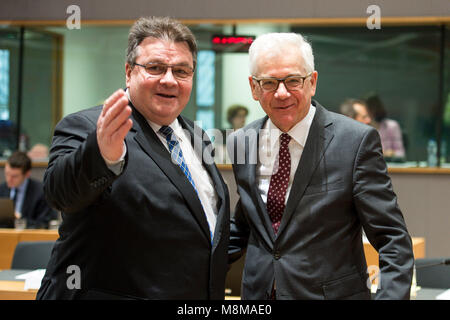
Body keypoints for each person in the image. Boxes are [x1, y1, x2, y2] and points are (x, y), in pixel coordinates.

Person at [37, 16, 230, 300]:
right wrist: (103, 155)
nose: (169, 79)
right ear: (128, 72)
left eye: (181, 71)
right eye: (155, 68)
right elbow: (60, 193)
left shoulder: (196, 136)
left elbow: (202, 229)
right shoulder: (89, 126)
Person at [227, 32, 414, 300]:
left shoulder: (355, 142)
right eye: (269, 82)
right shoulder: (241, 142)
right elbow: (248, 220)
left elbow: (392, 240)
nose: (281, 93)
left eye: (293, 80)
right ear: (254, 88)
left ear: (312, 82)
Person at [0, 151, 57, 228]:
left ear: (27, 174)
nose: (9, 179)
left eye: (14, 176)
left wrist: (20, 220)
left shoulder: (41, 192)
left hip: (30, 237)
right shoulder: (1, 189)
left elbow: (44, 223)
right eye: (7, 174)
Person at [365, 94, 405, 159]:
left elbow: (401, 153)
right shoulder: (361, 127)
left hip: (388, 165)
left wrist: (390, 153)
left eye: (368, 109)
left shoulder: (392, 126)